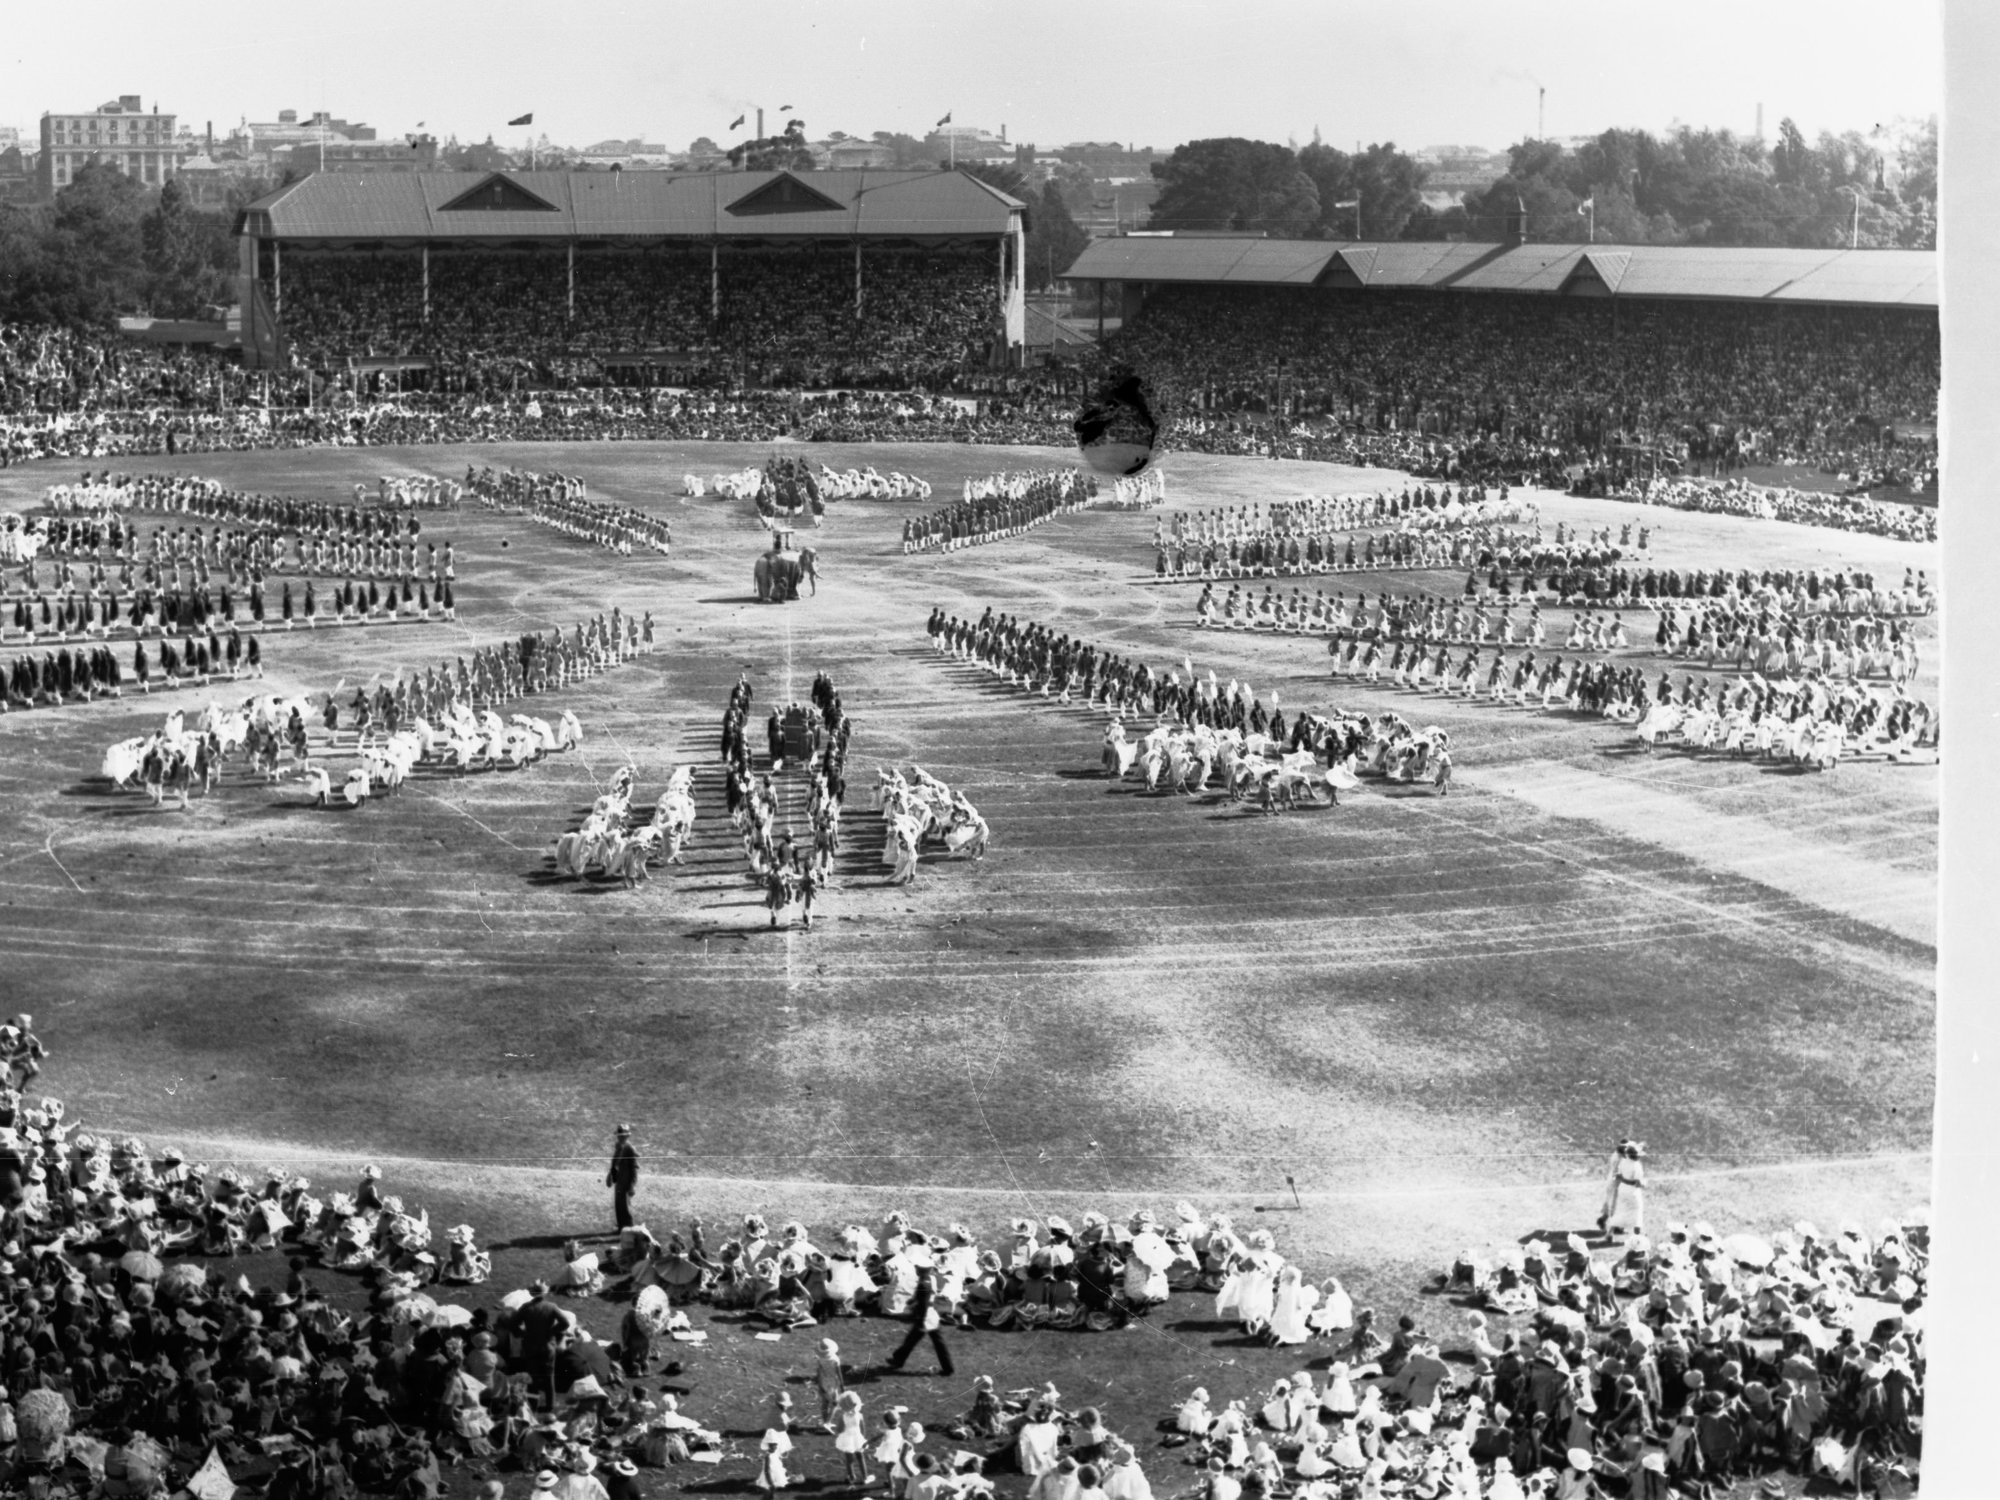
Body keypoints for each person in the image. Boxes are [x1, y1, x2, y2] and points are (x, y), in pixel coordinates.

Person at [884, 1264, 955, 1376]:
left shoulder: (923, 1284)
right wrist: (913, 1301)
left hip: (925, 1316)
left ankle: (898, 1359)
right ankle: (898, 1359)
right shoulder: (931, 1279)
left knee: (918, 1339)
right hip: (930, 1313)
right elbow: (927, 1296)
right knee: (918, 1339)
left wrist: (921, 1320)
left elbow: (923, 1304)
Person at [1599, 1140, 1646, 1240]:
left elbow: (1618, 1176)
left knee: (1621, 1210)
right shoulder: (1637, 1166)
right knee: (1637, 1212)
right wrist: (1644, 1184)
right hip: (1632, 1191)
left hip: (1622, 1189)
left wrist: (1623, 1179)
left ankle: (1609, 1233)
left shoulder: (1623, 1161)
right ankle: (1637, 1238)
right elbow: (1637, 1183)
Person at [607, 1125, 639, 1231]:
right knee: (618, 1206)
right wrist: (610, 1176)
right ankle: (621, 1227)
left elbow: (634, 1169)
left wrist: (632, 1186)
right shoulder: (618, 1147)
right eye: (619, 1136)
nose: (620, 1138)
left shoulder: (630, 1149)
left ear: (627, 1136)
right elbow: (615, 1163)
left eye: (622, 1136)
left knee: (625, 1208)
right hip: (619, 1181)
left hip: (626, 1182)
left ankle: (629, 1230)